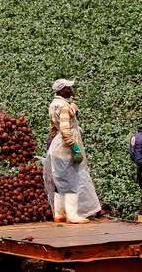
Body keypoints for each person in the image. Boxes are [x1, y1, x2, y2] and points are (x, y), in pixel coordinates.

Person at [46, 79, 101, 223]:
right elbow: (65, 130)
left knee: (62, 181)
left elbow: (53, 129)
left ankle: (60, 214)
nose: (72, 89)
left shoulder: (53, 104)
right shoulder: (63, 106)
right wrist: (74, 148)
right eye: (69, 87)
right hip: (65, 149)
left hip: (57, 147)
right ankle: (73, 215)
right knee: (73, 181)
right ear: (62, 90)